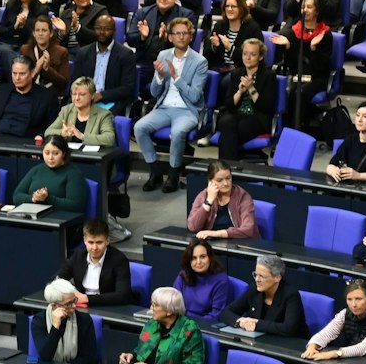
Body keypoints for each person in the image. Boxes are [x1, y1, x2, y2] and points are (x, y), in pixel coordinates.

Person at [137, 17, 207, 191]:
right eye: (177, 33)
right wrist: (160, 76)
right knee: (139, 127)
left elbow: (195, 96)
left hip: (187, 110)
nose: (181, 37)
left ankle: (174, 176)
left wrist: (176, 77)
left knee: (177, 132)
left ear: (191, 37)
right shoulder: (163, 55)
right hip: (164, 107)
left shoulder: (200, 62)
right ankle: (155, 172)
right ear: (170, 37)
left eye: (185, 33)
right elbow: (154, 93)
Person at [118, 286, 205, 364]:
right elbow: (145, 348)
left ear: (169, 311)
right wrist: (132, 356)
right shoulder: (152, 324)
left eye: (155, 305)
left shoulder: (189, 331)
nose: (151, 308)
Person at [273, 0, 335, 134]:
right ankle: (286, 130)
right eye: (303, 7)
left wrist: (313, 49)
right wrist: (288, 47)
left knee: (301, 92)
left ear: (317, 11)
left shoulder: (324, 34)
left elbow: (321, 67)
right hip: (298, 75)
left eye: (309, 7)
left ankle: (293, 131)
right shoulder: (293, 32)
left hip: (318, 77)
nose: (305, 10)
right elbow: (292, 66)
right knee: (289, 91)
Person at [212, 38, 275, 162]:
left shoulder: (268, 75)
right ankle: (230, 169)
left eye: (253, 54)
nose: (248, 57)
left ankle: (225, 168)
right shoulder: (236, 73)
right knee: (225, 122)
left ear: (261, 57)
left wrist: (251, 88)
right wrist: (240, 92)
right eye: (245, 54)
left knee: (226, 136)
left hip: (257, 117)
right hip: (236, 114)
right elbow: (229, 104)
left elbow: (266, 106)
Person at [303, 279, 366, 361]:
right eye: (349, 299)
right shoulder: (344, 313)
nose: (354, 304)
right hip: (355, 361)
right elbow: (326, 333)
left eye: (358, 299)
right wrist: (312, 347)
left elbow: (364, 347)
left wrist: (334, 353)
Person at [224, 253, 307, 336]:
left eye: (262, 276)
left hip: (290, 344)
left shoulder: (291, 295)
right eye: (256, 274)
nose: (257, 280)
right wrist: (240, 321)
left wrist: (256, 323)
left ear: (277, 278)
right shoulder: (254, 290)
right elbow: (226, 312)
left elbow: (288, 328)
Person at [58, 219, 133, 305]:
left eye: (99, 242)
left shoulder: (119, 260)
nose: (94, 248)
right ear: (84, 240)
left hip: (109, 307)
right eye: (90, 242)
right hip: (81, 306)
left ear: (107, 241)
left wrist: (87, 298)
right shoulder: (78, 256)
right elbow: (57, 279)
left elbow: (122, 295)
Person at [13, 136, 90, 214]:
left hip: (59, 219)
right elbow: (17, 196)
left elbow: (76, 206)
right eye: (46, 153)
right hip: (33, 217)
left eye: (56, 153)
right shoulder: (36, 170)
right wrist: (34, 198)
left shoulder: (73, 173)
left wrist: (47, 199)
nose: (50, 157)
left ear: (64, 153)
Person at [33, 279, 100, 364]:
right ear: (54, 305)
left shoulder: (84, 320)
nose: (74, 306)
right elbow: (45, 356)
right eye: (68, 304)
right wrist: (55, 327)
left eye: (74, 300)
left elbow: (89, 357)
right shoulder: (39, 321)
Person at [175, 241, 232, 322]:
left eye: (202, 257)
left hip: (205, 326)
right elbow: (174, 305)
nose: (198, 262)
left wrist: (191, 325)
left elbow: (216, 315)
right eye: (194, 258)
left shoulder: (221, 280)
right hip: (182, 322)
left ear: (210, 257)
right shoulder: (183, 275)